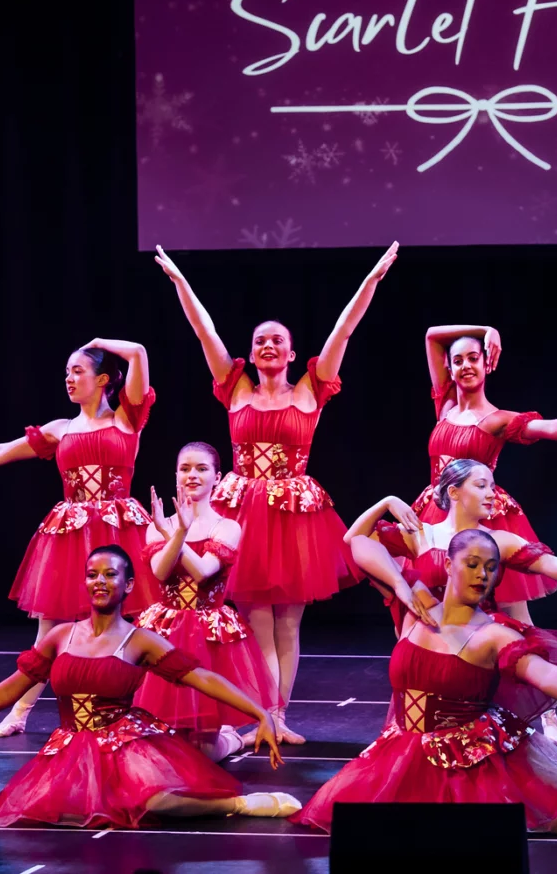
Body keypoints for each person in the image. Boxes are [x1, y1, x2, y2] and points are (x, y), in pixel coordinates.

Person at [154, 243, 398, 744]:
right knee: (255, 622)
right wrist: (181, 283)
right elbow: (204, 331)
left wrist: (371, 280)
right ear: (252, 352)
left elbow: (343, 330)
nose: (268, 345)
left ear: (290, 353)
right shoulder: (235, 388)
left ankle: (278, 716)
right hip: (242, 510)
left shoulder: (311, 389)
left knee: (288, 625)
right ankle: (263, 714)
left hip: (292, 516)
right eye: (260, 340)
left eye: (277, 341)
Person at [294, 529, 557, 834]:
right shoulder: (417, 606)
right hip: (402, 750)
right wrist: (400, 582)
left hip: (467, 755)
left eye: (491, 567)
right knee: (358, 822)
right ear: (448, 565)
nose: (482, 575)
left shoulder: (494, 634)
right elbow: (357, 541)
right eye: (472, 564)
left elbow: (546, 674)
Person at [0, 545, 302, 828]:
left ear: (128, 585)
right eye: (92, 575)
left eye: (110, 575)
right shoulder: (61, 636)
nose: (100, 582)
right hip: (71, 746)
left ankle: (239, 805)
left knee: (151, 803)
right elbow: (12, 688)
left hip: (123, 744)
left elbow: (201, 677)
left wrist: (260, 713)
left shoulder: (140, 640)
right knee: (50, 811)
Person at [346, 458, 557, 789]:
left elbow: (555, 565)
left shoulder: (497, 540)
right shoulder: (421, 534)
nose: (492, 493)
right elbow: (355, 538)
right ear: (454, 492)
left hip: (478, 641)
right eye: (481, 485)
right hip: (428, 643)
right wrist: (388, 504)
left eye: (492, 486)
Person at [0, 339, 162, 737]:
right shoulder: (60, 429)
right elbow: (2, 452)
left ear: (103, 379)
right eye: (66, 372)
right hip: (70, 534)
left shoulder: (127, 418)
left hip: (118, 530)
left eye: (78, 371)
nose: (69, 378)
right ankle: (20, 710)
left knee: (136, 625)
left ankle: (142, 707)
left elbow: (137, 352)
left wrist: (96, 343)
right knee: (48, 631)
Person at [415, 327, 557, 624]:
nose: (466, 366)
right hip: (436, 510)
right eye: (458, 361)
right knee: (427, 605)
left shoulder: (496, 420)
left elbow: (551, 428)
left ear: (487, 362)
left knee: (514, 615)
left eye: (473, 358)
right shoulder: (445, 405)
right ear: (449, 367)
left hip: (479, 513)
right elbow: (432, 336)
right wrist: (486, 331)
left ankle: (529, 653)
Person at [133, 442, 279, 760]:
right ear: (175, 475)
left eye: (202, 469)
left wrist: (177, 534)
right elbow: (160, 571)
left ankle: (231, 738)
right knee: (161, 748)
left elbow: (201, 572)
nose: (192, 475)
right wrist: (174, 531)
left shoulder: (227, 527)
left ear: (218, 477)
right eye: (185, 469)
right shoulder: (158, 526)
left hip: (208, 634)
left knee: (203, 753)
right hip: (166, 630)